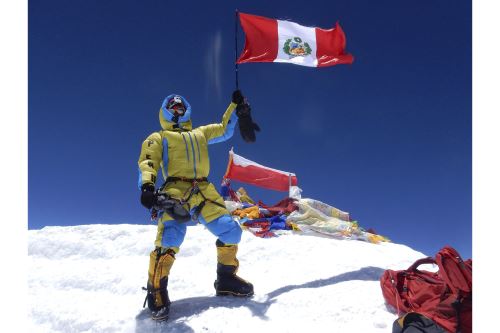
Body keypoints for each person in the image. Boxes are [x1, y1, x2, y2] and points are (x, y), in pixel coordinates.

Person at [137, 90, 259, 321]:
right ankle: (156, 290)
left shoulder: (200, 133)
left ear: (187, 110)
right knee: (170, 238)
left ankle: (226, 280)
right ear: (164, 111)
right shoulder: (159, 136)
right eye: (172, 107)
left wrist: (236, 107)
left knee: (231, 231)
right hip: (175, 189)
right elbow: (148, 160)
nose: (177, 110)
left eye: (180, 107)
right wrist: (147, 187)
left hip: (203, 190)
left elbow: (224, 128)